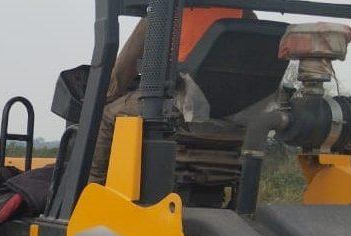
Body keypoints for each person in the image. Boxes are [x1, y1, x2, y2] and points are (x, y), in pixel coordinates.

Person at [90, 7, 253, 185]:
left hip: (182, 106)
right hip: (235, 115)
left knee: (106, 115)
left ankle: (90, 192)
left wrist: (106, 97)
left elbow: (123, 71)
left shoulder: (165, 12)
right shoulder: (246, 14)